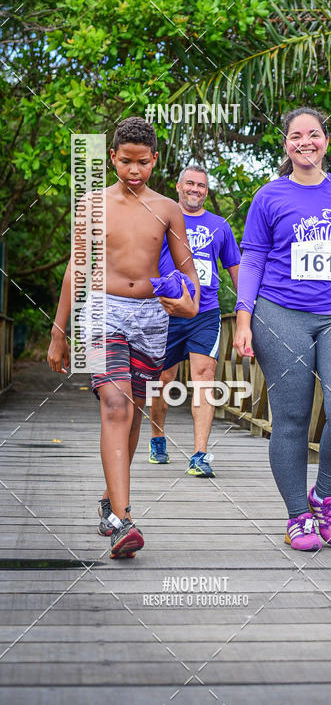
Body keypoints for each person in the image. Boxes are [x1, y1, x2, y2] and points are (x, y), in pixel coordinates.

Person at [233, 107, 331, 551]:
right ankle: (298, 516)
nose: (305, 142)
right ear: (285, 144)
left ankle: (324, 495)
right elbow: (253, 261)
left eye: (313, 134)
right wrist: (244, 319)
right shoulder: (269, 196)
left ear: (325, 141)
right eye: (296, 136)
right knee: (292, 417)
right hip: (279, 314)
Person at [47, 117, 200, 559]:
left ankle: (110, 500)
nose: (135, 171)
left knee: (132, 413)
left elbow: (188, 273)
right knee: (114, 405)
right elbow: (76, 268)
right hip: (101, 310)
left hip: (152, 316)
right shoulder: (92, 204)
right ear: (113, 157)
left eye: (144, 163)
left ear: (155, 160)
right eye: (126, 161)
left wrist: (189, 303)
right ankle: (123, 519)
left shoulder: (168, 209)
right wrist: (59, 333)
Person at [148, 164, 241, 476]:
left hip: (206, 311)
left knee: (204, 376)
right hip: (168, 311)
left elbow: (235, 267)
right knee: (164, 380)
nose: (195, 190)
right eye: (190, 184)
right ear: (178, 186)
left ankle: (199, 454)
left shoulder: (219, 226)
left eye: (201, 185)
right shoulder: (162, 218)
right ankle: (157, 438)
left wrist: (246, 311)